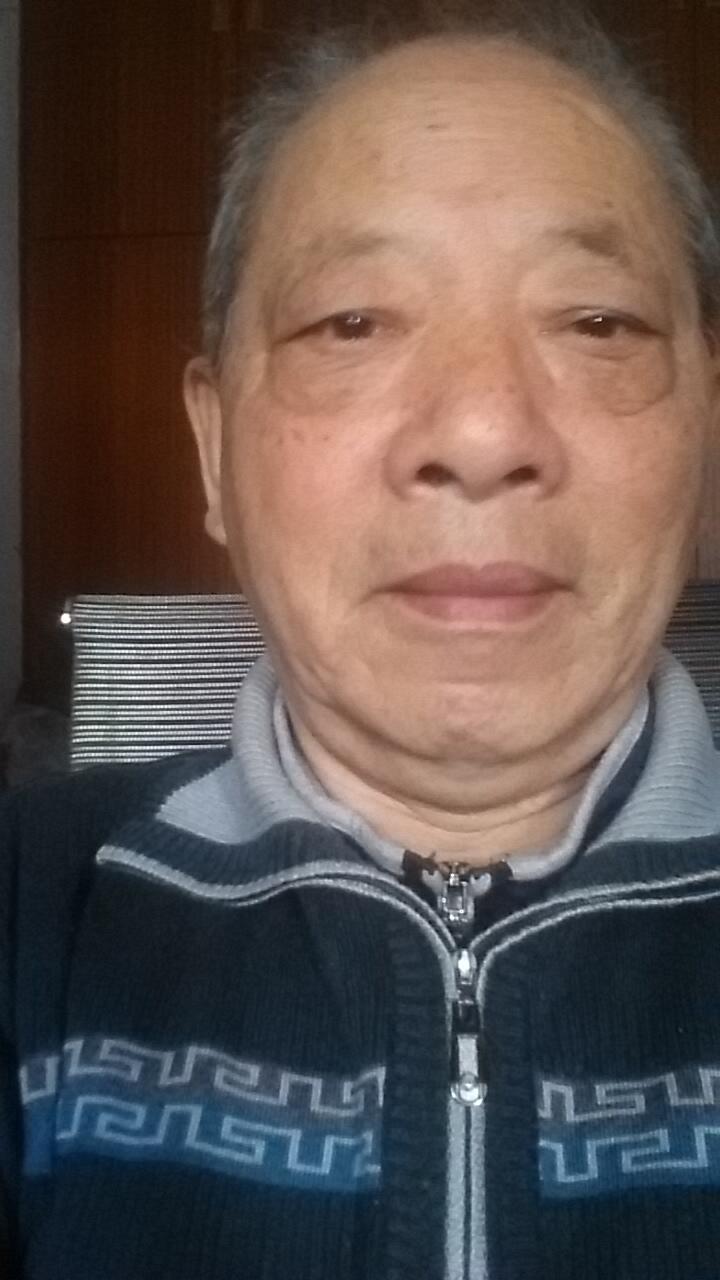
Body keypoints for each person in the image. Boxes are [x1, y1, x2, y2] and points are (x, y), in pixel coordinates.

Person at [3, 3, 720, 1277]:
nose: (485, 430)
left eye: (598, 321)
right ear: (213, 450)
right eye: (351, 322)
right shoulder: (28, 917)